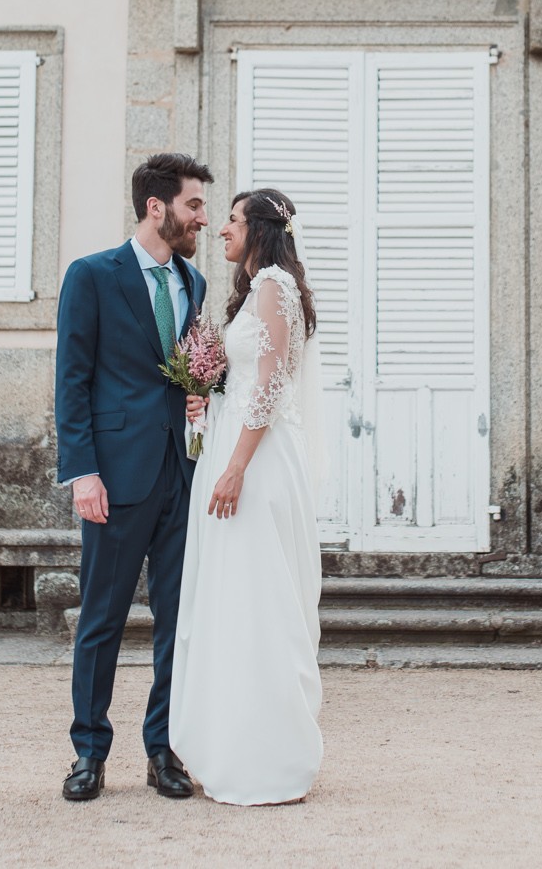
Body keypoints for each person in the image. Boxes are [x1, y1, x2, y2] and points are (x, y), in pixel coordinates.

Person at [55, 152, 213, 802]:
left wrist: (203, 396)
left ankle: (162, 748)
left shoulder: (194, 283)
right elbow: (72, 380)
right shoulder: (92, 276)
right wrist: (82, 471)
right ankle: (89, 752)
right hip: (115, 479)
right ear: (157, 207)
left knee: (180, 619)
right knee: (103, 618)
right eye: (194, 205)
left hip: (182, 473)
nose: (202, 216)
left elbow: (190, 370)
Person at [169, 188, 326, 806]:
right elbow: (245, 386)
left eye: (230, 221)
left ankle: (270, 757)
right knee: (232, 598)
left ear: (258, 228)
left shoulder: (273, 287)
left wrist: (234, 468)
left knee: (257, 599)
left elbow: (269, 389)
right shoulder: (258, 289)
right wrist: (205, 405)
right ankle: (233, 742)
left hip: (254, 466)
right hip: (234, 450)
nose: (221, 230)